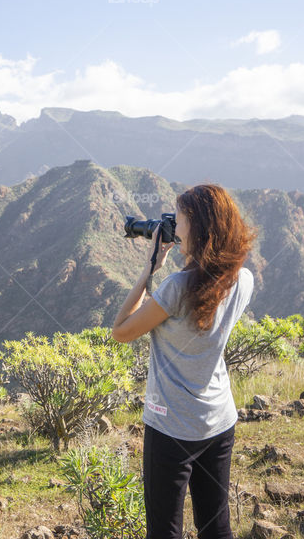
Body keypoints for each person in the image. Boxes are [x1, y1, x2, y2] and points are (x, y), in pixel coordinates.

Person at [109, 183, 257, 539]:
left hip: (171, 425)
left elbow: (121, 331)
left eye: (180, 219)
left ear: (199, 227)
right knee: (216, 525)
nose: (174, 224)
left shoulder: (176, 287)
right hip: (219, 419)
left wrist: (151, 268)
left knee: (164, 529)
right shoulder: (242, 280)